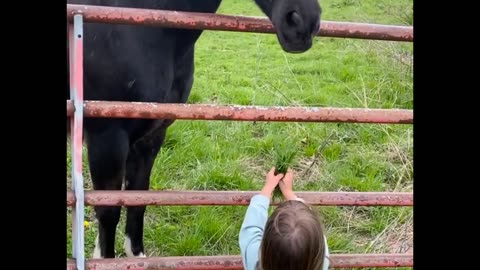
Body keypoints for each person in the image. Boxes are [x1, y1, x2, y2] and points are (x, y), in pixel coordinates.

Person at [239, 167, 330, 270]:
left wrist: (268, 188)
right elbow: (319, 237)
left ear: (265, 247)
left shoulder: (255, 261)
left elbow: (251, 229)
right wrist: (289, 193)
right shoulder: (322, 263)